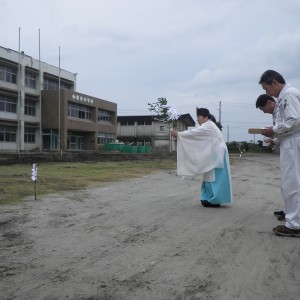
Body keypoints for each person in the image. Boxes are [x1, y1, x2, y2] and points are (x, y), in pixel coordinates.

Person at [259, 70, 300, 237]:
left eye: (266, 89)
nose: (267, 93)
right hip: (290, 140)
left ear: (274, 82)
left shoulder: (288, 94)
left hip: (293, 141)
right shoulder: (286, 95)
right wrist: (275, 138)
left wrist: (273, 130)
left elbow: (294, 120)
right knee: (291, 182)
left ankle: (295, 224)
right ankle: (294, 219)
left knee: (292, 183)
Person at [171, 107, 232, 207]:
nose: (197, 119)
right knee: (209, 175)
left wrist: (179, 134)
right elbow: (196, 137)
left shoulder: (209, 126)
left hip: (218, 155)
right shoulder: (207, 126)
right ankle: (207, 197)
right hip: (213, 154)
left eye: (199, 117)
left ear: (206, 117)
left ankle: (215, 199)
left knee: (216, 177)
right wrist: (180, 135)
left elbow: (194, 134)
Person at [256, 94, 285, 221]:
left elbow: (289, 127)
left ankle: (293, 215)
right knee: (286, 183)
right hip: (286, 146)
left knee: (293, 182)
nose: (264, 112)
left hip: (293, 145)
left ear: (269, 102)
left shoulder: (284, 103)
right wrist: (273, 140)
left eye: (263, 109)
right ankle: (288, 210)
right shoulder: (276, 112)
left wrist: (272, 132)